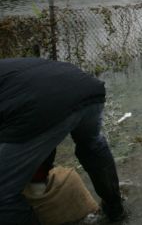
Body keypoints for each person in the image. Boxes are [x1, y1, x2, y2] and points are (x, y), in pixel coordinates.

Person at [0, 58, 126, 224]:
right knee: (93, 146)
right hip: (85, 88)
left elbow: (34, 126)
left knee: (4, 192)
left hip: (41, 104)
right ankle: (115, 210)